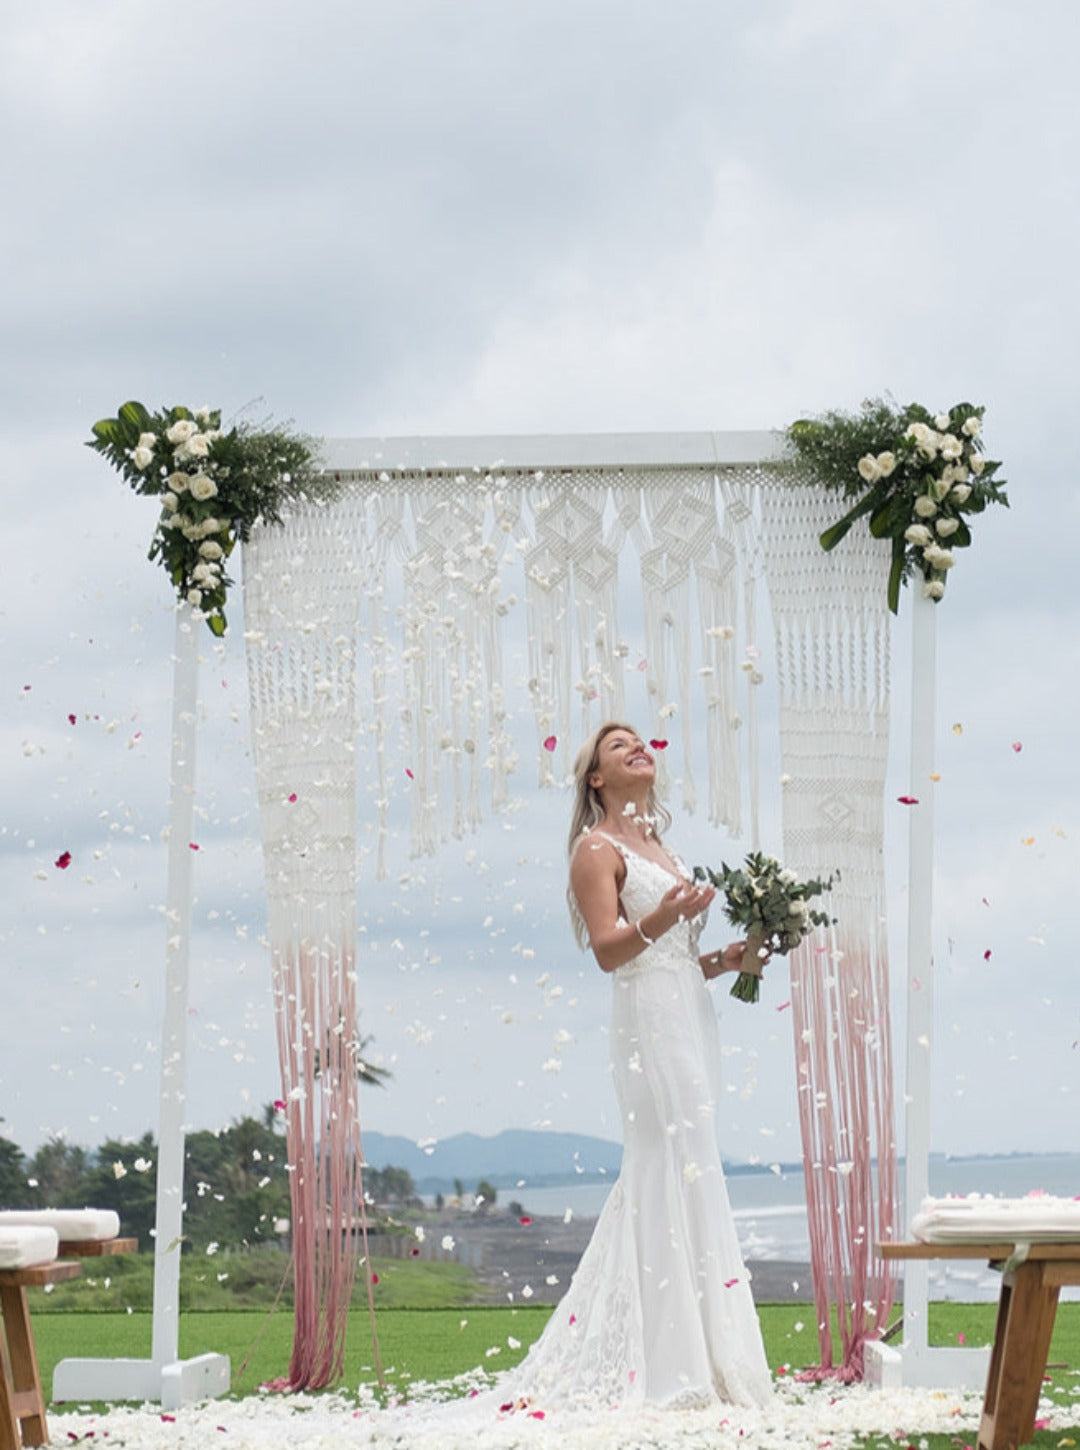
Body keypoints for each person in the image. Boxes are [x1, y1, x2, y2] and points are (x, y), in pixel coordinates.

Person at [505, 722, 773, 1411]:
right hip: (647, 1021)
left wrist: (725, 960)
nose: (636, 747)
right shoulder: (595, 849)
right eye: (617, 745)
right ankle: (672, 1366)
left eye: (639, 740)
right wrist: (664, 918)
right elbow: (608, 951)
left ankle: (707, 1353)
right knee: (669, 1159)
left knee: (691, 1158)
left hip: (688, 1012)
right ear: (596, 779)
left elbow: (672, 958)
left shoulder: (664, 848)